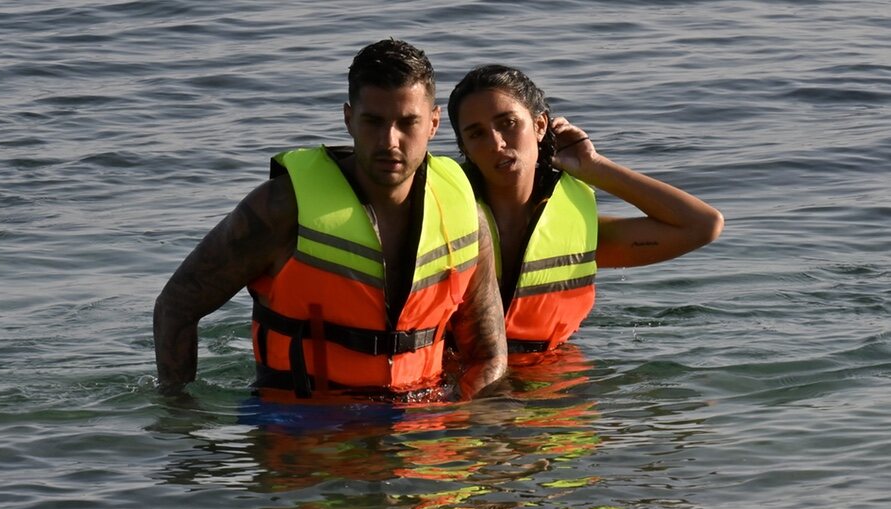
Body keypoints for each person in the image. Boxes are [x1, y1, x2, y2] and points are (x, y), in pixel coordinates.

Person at [153, 40, 508, 401]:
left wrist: (467, 424)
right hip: (302, 426)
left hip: (420, 430)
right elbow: (176, 307)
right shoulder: (281, 208)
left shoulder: (464, 213)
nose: (390, 141)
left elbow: (489, 355)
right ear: (348, 118)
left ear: (433, 123)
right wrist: (181, 419)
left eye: (407, 122)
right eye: (373, 121)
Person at [447, 65, 724, 353]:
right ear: (465, 148)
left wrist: (594, 167)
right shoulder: (441, 223)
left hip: (553, 382)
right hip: (456, 381)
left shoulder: (579, 232)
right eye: (477, 134)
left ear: (540, 126)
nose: (497, 143)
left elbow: (703, 225)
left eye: (508, 123)